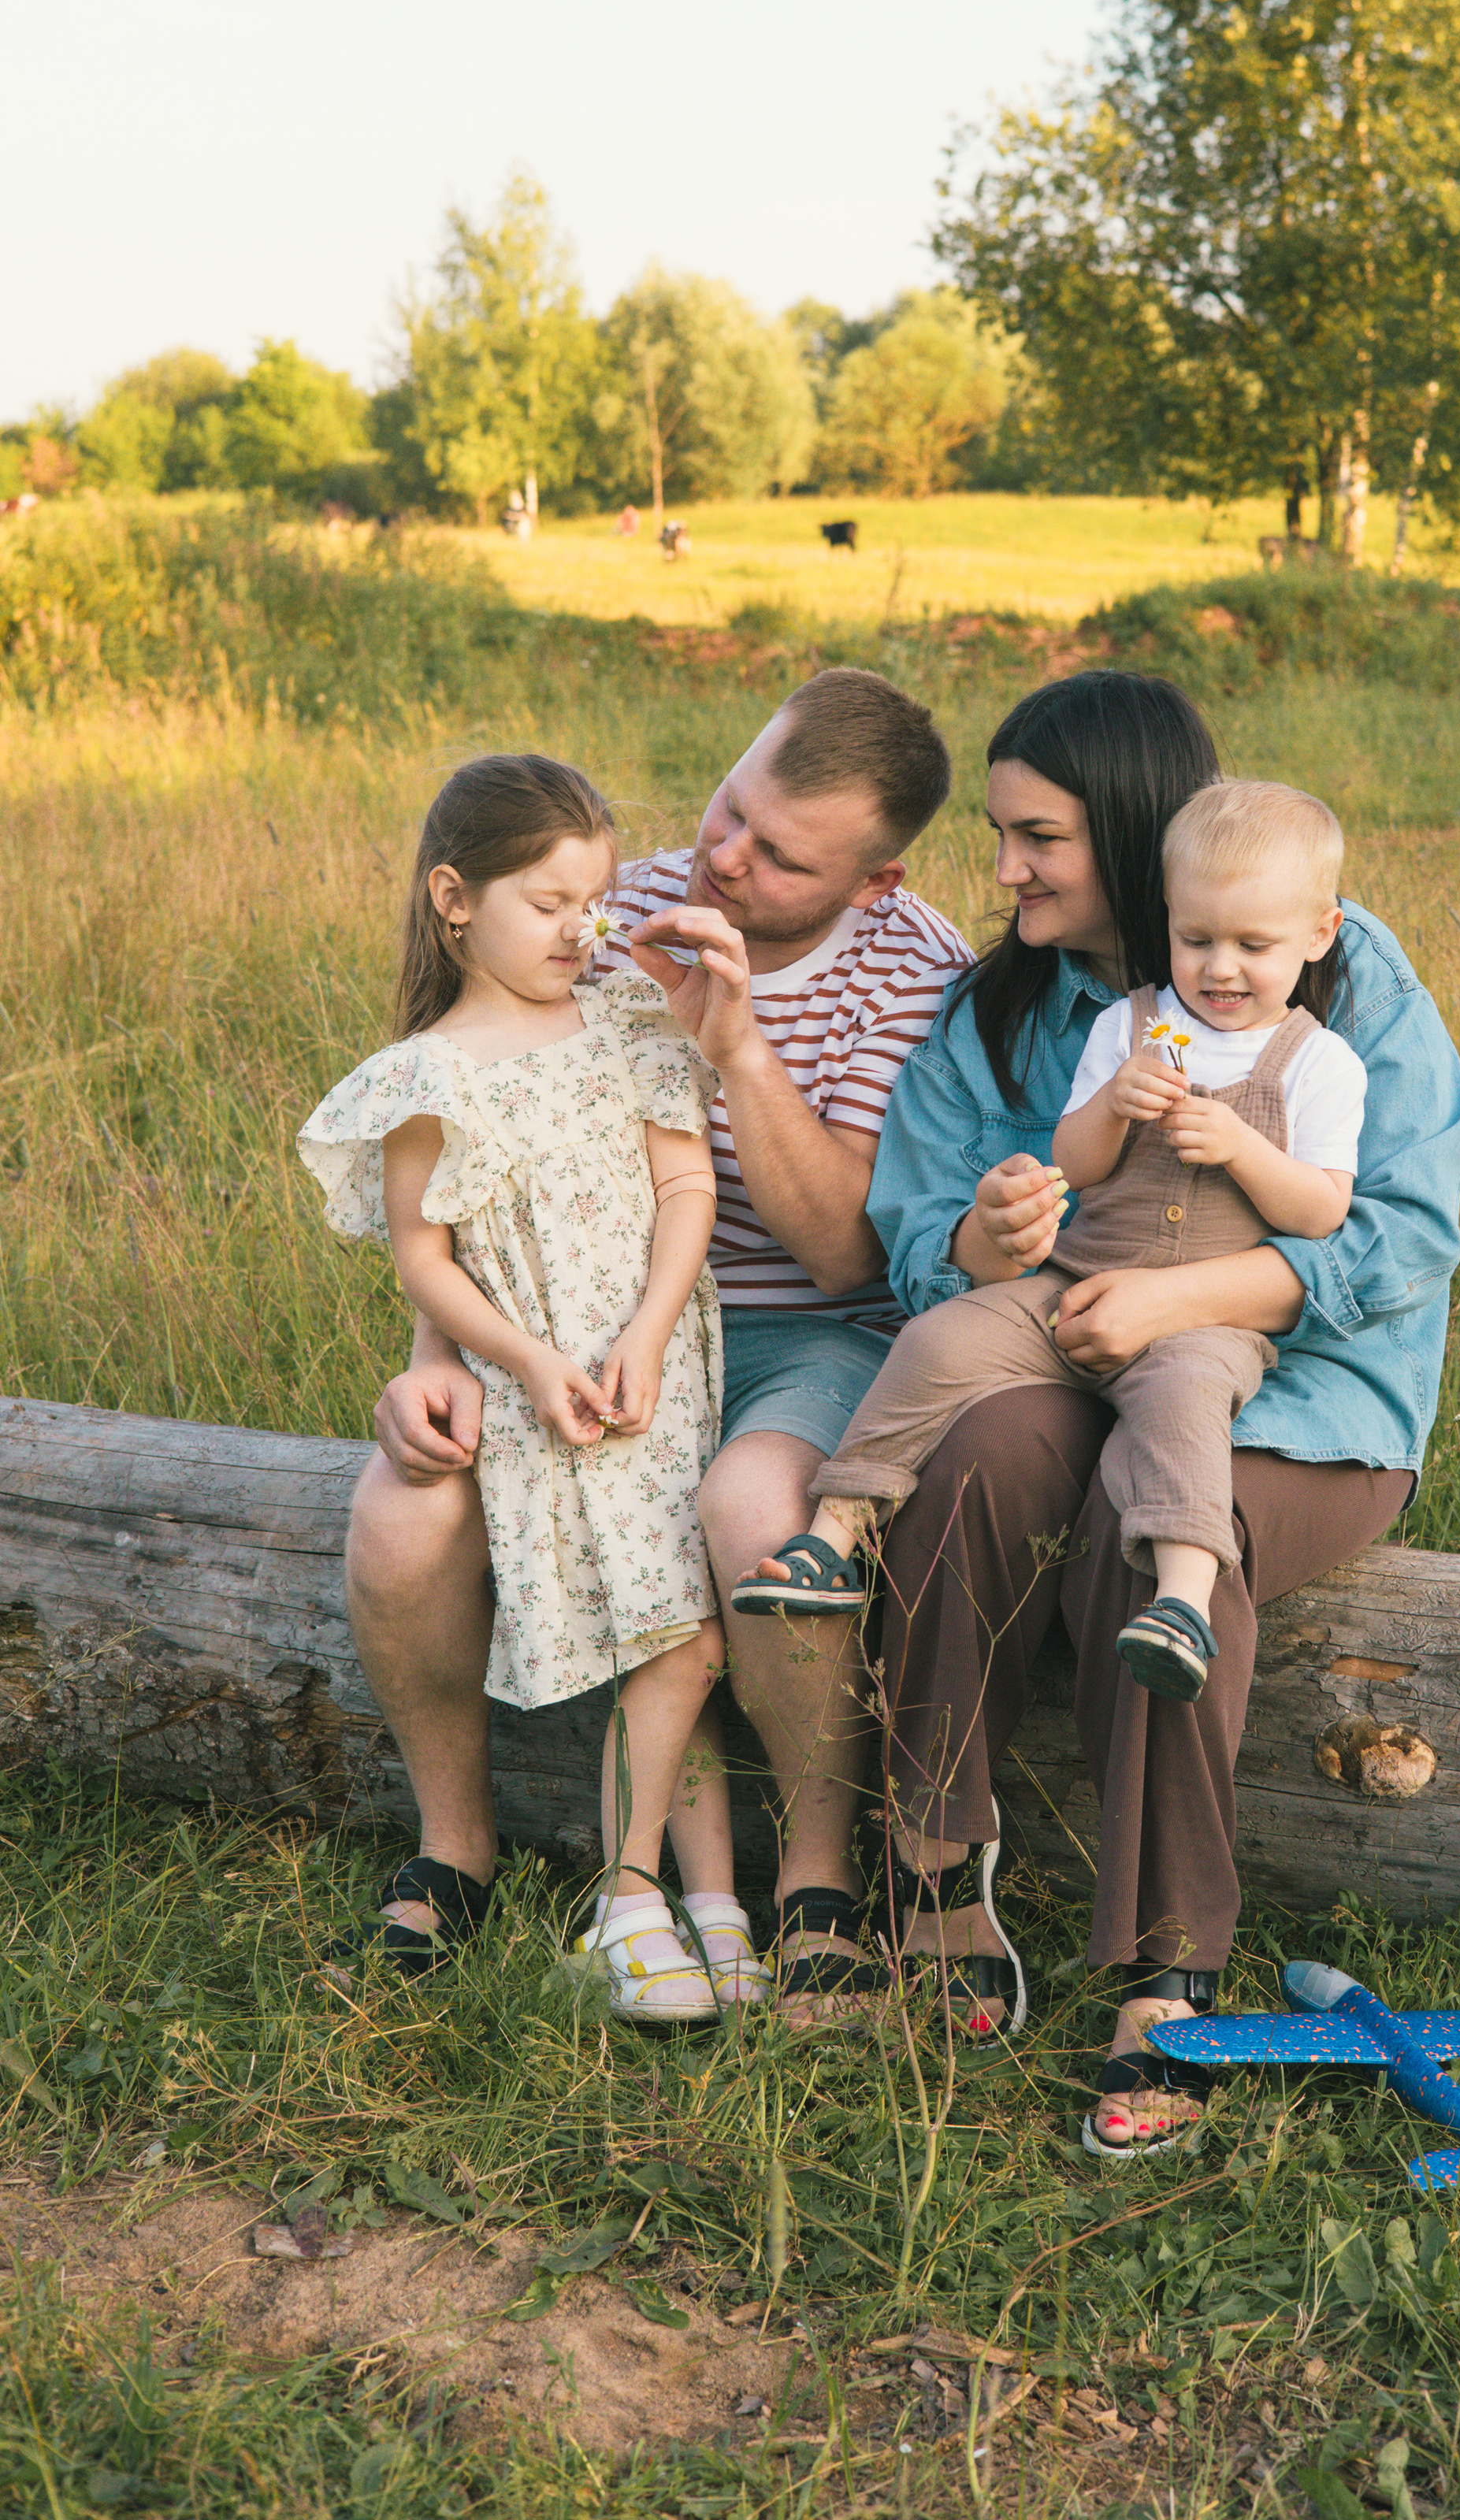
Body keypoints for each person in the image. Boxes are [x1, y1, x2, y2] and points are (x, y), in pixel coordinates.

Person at [853, 668, 1460, 2154]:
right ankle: (932, 1861)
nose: (1005, 871)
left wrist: (1186, 1303)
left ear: (1129, 829)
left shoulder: (1333, 969)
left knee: (1158, 1523)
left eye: (1037, 837)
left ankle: (1166, 1970)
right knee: (983, 1451)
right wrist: (984, 1240)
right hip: (1078, 1350)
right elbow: (918, 1222)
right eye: (1004, 836)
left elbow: (1401, 1238)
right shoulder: (1022, 1000)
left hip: (1309, 1403)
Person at [347, 670, 971, 2006]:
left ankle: (811, 1879)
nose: (725, 857)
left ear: (875, 880)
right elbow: (471, 1145)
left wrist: (739, 1052)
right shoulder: (613, 902)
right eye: (730, 806)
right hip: (578, 1328)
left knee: (752, 1516)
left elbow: (851, 1256)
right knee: (402, 1514)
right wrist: (436, 1357)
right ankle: (457, 1845)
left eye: (781, 854)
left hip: (806, 1336)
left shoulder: (915, 971)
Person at [736, 778, 1367, 1713]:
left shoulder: (1318, 1061)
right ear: (1167, 925)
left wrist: (1241, 1149)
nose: (1220, 969)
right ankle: (836, 1528)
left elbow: (1320, 1211)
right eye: (1196, 940)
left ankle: (1183, 1600)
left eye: (1252, 946)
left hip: (1206, 1316)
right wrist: (1112, 1106)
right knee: (942, 1340)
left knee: (1187, 1408)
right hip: (1078, 1276)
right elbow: (1075, 1162)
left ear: (1317, 936)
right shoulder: (1139, 1025)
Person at [299, 754, 764, 2016]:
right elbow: (424, 1259)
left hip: (656, 1372)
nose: (585, 927)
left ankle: (704, 1910)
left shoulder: (626, 1022)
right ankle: (631, 1907)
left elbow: (687, 1189)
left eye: (596, 899)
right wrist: (533, 1360)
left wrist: (652, 1334)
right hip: (542, 1393)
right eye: (549, 902)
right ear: (454, 898)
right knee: (667, 1638)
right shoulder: (426, 1074)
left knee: (686, 1637)